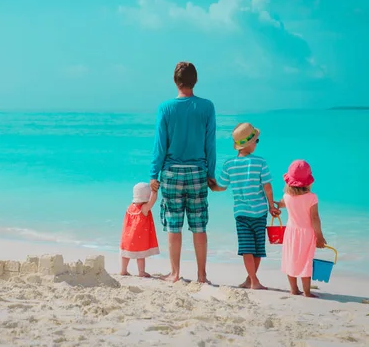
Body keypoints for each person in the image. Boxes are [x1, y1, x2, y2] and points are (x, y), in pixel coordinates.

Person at [150, 62, 216, 283]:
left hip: (171, 173)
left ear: (174, 81)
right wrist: (211, 172)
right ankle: (202, 275)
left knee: (173, 224)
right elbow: (210, 144)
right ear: (195, 81)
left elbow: (160, 145)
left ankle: (175, 273)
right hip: (198, 171)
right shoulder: (207, 107)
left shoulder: (165, 107)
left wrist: (153, 174)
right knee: (199, 225)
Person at [209, 123, 280, 290]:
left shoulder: (229, 164)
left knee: (247, 248)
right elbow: (267, 187)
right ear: (249, 143)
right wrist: (271, 205)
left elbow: (222, 186)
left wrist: (211, 185)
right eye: (256, 140)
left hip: (241, 213)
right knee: (257, 248)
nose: (257, 143)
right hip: (260, 211)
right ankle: (254, 281)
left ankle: (250, 280)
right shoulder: (260, 162)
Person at [276, 160, 326, 298]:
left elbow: (281, 205)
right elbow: (315, 218)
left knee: (291, 259)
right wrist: (320, 236)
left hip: (291, 232)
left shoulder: (287, 197)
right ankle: (307, 292)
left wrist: (274, 205)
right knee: (306, 261)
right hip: (307, 234)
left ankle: (294, 289)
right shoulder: (312, 197)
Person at [120, 182, 160, 277]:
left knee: (125, 254)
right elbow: (152, 201)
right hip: (139, 238)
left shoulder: (130, 207)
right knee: (140, 255)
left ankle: (123, 270)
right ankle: (141, 272)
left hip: (127, 237)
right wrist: (155, 191)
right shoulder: (144, 208)